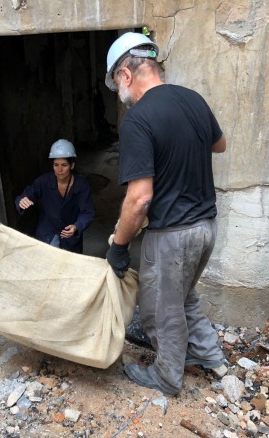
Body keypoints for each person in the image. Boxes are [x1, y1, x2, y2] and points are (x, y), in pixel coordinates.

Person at [104, 33, 228, 396]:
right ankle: (211, 357)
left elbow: (139, 198)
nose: (118, 93)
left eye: (115, 84)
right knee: (185, 297)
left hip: (173, 234)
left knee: (160, 309)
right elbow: (219, 144)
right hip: (206, 227)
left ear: (126, 75)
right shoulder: (193, 100)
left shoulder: (138, 119)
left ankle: (167, 377)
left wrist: (120, 245)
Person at [15, 139, 95, 254]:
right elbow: (25, 195)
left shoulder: (81, 185)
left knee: (69, 268)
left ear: (72, 165)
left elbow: (88, 212)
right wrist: (21, 201)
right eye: (56, 165)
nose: (60, 170)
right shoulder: (43, 182)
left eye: (64, 165)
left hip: (69, 237)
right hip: (47, 233)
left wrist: (76, 226)